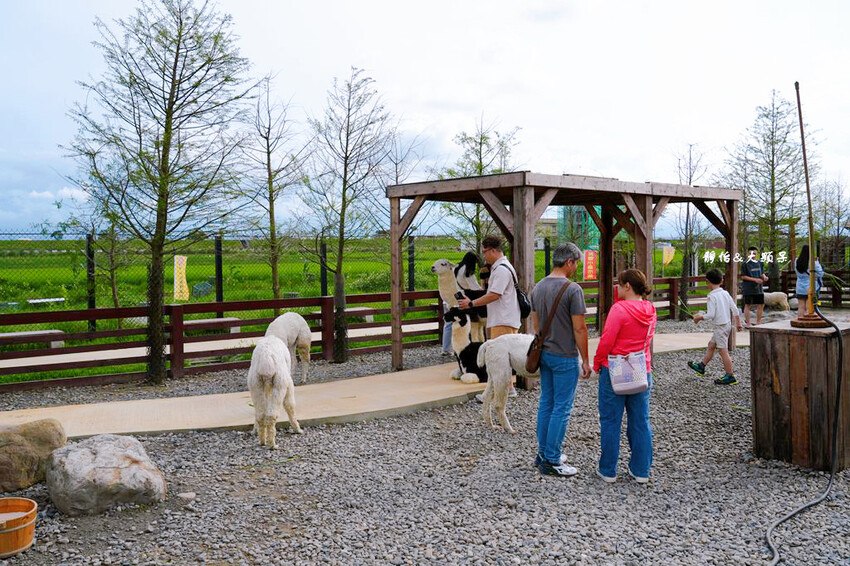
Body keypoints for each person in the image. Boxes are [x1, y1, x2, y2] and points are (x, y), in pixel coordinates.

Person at [529, 242, 591, 478]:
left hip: (544, 353)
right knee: (561, 408)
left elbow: (536, 325)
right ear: (569, 262)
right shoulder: (572, 290)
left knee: (546, 403)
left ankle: (543, 452)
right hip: (565, 355)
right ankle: (552, 459)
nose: (576, 268)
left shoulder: (538, 287)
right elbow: (580, 328)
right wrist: (586, 359)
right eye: (576, 263)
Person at [592, 268, 657, 484]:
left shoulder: (619, 310)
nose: (617, 288)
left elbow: (607, 341)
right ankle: (641, 470)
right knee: (640, 420)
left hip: (616, 367)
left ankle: (608, 470)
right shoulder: (650, 309)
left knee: (611, 420)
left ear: (627, 286)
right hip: (641, 368)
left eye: (619, 284)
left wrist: (597, 362)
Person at [458, 234, 520, 339]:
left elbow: (494, 295)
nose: (484, 256)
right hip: (502, 320)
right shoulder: (502, 267)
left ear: (493, 250)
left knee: (499, 354)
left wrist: (471, 303)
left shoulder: (501, 270)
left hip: (502, 321)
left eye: (484, 252)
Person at [688, 268, 743, 385]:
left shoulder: (711, 296)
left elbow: (711, 314)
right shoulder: (725, 293)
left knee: (723, 352)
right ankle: (701, 366)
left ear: (707, 281)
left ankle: (730, 376)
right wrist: (738, 323)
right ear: (721, 281)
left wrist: (699, 317)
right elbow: (734, 309)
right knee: (711, 345)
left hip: (720, 327)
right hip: (726, 325)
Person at [741, 246, 768, 326]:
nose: (753, 255)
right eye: (750, 254)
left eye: (754, 254)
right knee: (748, 305)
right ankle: (748, 323)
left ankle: (758, 322)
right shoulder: (745, 264)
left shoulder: (760, 263)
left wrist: (764, 277)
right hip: (748, 287)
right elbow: (743, 276)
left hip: (759, 288)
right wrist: (755, 280)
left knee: (760, 304)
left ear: (757, 254)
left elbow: (761, 273)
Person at [795, 244, 824, 318]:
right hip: (811, 286)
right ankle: (808, 322)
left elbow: (797, 273)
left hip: (800, 286)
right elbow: (820, 273)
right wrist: (817, 262)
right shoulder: (813, 262)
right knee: (809, 307)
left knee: (801, 306)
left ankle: (800, 321)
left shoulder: (797, 261)